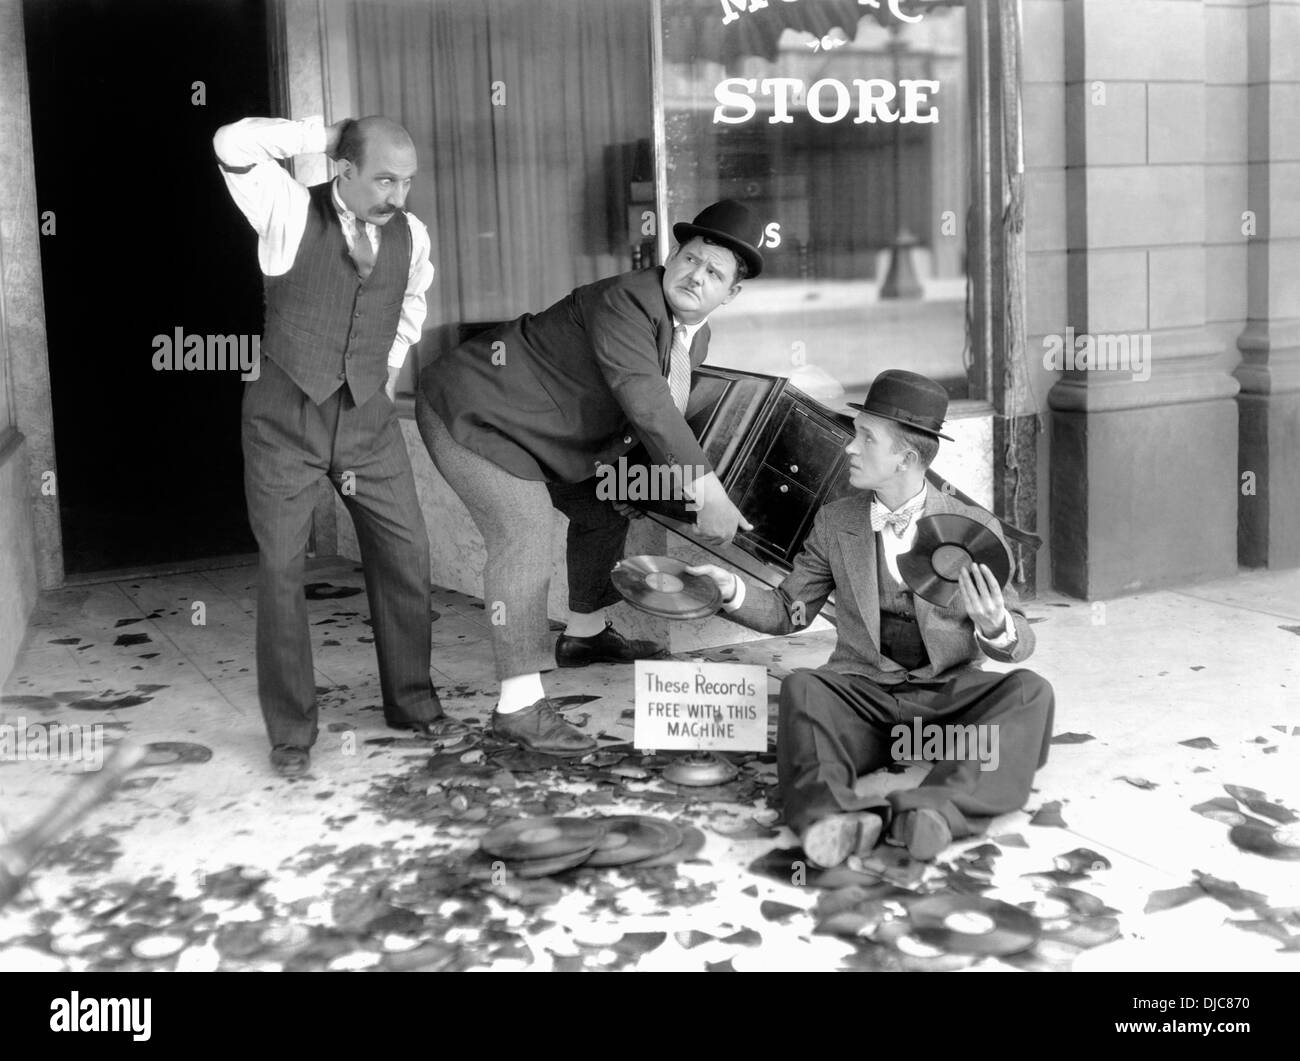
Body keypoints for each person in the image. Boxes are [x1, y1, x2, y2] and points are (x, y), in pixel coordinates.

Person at [416, 201, 763, 756]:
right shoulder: (626, 299)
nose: (697, 275)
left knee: (605, 506)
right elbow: (647, 402)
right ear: (672, 256)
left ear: (732, 293)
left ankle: (583, 636)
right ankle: (519, 709)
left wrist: (637, 481)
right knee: (524, 531)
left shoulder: (692, 337)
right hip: (473, 412)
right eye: (691, 258)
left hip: (544, 434)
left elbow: (642, 418)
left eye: (715, 272)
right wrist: (707, 491)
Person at [688, 370, 1055, 866]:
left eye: (865, 437)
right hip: (862, 702)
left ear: (906, 457)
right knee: (803, 689)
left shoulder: (975, 528)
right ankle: (828, 819)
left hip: (945, 709)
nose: (848, 449)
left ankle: (934, 812)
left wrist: (995, 627)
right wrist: (731, 590)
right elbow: (788, 611)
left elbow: (1020, 637)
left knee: (1030, 692)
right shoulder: (835, 520)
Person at [214, 114, 465, 778]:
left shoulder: (411, 233)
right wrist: (327, 136)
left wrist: (387, 366)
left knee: (407, 549)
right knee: (281, 570)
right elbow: (230, 145)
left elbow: (413, 301)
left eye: (408, 181)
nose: (398, 195)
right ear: (344, 169)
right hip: (284, 418)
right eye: (384, 178)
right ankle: (292, 733)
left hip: (366, 418)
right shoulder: (287, 210)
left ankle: (413, 702)